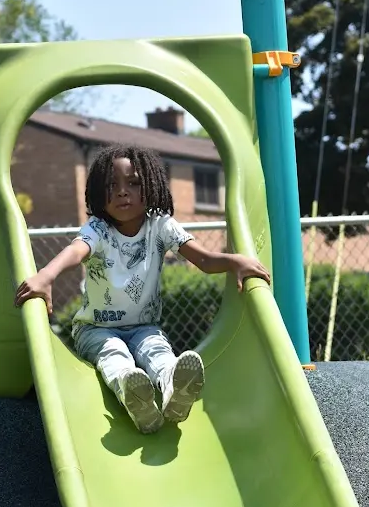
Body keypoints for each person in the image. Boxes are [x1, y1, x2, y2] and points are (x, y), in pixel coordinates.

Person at [15, 144, 270, 434]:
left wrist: (235, 261)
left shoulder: (160, 226)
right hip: (96, 329)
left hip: (144, 327)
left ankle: (174, 390)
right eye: (112, 185)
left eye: (133, 183)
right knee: (114, 355)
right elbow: (75, 251)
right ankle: (132, 394)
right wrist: (46, 275)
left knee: (158, 352)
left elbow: (204, 260)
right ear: (98, 192)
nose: (122, 192)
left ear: (151, 185)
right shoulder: (97, 229)